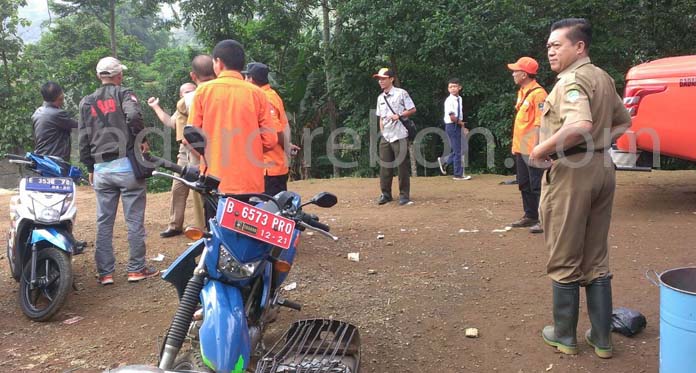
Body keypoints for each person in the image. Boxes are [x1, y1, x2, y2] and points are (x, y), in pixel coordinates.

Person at [529, 18, 631, 359]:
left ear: (579, 47)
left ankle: (564, 336)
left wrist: (541, 150)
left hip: (573, 172)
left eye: (557, 45)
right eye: (548, 46)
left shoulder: (571, 80)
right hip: (603, 168)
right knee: (596, 257)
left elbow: (579, 124)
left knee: (564, 256)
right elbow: (623, 122)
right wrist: (598, 145)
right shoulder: (601, 77)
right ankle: (602, 339)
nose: (550, 51)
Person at [78, 56, 159, 285]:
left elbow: (83, 138)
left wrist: (90, 166)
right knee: (134, 220)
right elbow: (133, 115)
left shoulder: (86, 101)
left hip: (102, 168)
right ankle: (136, 269)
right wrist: (141, 139)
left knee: (104, 221)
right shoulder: (124, 93)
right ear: (119, 76)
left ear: (98, 76)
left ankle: (105, 273)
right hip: (127, 166)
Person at [187, 40, 277, 196]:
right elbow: (270, 140)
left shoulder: (203, 92)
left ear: (219, 63)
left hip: (214, 181)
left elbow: (191, 135)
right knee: (246, 221)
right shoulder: (258, 94)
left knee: (215, 220)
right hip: (250, 182)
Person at [147, 81, 203, 238]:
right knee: (178, 187)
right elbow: (169, 122)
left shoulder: (200, 105)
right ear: (180, 96)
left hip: (198, 150)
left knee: (199, 190)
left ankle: (203, 227)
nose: (189, 95)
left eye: (192, 91)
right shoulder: (181, 110)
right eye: (186, 92)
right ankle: (175, 225)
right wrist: (155, 106)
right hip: (184, 151)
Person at [506, 57, 547, 234]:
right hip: (520, 148)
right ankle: (530, 215)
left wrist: (537, 148)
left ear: (524, 74)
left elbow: (540, 123)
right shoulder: (522, 91)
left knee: (537, 184)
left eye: (516, 71)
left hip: (532, 148)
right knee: (524, 183)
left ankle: (543, 219)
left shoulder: (539, 94)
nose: (513, 74)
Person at [243, 62, 297, 196]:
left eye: (246, 77)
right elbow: (282, 125)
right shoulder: (272, 94)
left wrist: (287, 147)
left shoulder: (264, 98)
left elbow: (275, 130)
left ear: (251, 79)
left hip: (269, 167)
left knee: (269, 211)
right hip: (274, 165)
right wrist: (288, 145)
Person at [373, 67, 416, 206]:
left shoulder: (401, 93)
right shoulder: (380, 98)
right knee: (385, 166)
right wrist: (382, 132)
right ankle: (385, 194)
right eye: (379, 79)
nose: (381, 81)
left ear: (391, 79)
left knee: (402, 166)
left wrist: (400, 115)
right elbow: (380, 118)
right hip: (387, 135)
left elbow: (412, 109)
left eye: (383, 78)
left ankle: (404, 195)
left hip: (400, 134)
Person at [32, 82, 78, 162]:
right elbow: (78, 126)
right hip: (55, 161)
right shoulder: (57, 114)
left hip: (41, 159)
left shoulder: (37, 112)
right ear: (60, 96)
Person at [437, 78, 472, 181]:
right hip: (452, 125)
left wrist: (461, 126)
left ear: (459, 87)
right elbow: (452, 116)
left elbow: (458, 114)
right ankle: (458, 174)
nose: (452, 89)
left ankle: (445, 161)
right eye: (450, 87)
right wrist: (462, 124)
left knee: (462, 148)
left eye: (455, 86)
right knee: (458, 150)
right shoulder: (449, 100)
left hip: (457, 124)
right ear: (448, 89)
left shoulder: (459, 99)